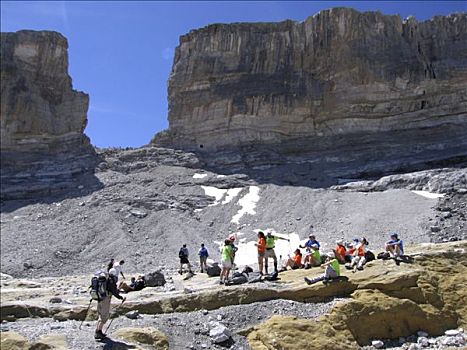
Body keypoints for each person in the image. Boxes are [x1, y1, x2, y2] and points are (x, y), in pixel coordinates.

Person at [95, 270, 125, 340]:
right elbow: (114, 291)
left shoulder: (103, 279)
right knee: (104, 316)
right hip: (105, 299)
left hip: (99, 298)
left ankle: (98, 330)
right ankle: (98, 333)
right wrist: (120, 297)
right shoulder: (110, 280)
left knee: (100, 315)